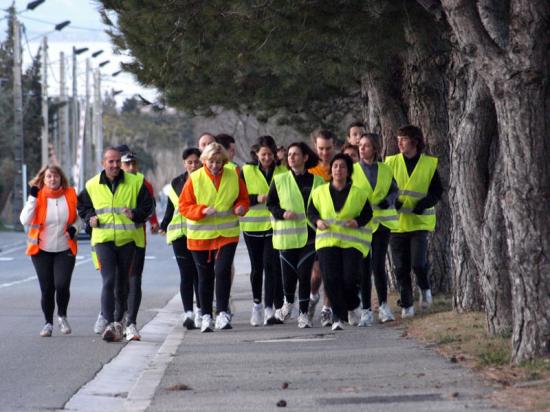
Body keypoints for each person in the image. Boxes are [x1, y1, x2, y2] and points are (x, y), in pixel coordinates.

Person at [78, 147, 154, 342]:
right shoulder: (92, 184)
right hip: (103, 240)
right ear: (103, 163)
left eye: (117, 162)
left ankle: (120, 322)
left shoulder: (135, 182)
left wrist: (135, 213)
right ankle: (109, 319)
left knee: (123, 284)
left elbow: (148, 207)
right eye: (110, 162)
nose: (114, 165)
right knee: (109, 279)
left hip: (127, 240)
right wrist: (89, 218)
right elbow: (83, 207)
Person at [179, 143, 249, 332]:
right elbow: (184, 206)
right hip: (200, 236)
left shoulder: (233, 176)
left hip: (227, 234)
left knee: (223, 270)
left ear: (224, 161)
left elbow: (243, 198)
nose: (215, 165)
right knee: (205, 276)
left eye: (219, 162)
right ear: (204, 161)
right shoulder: (194, 178)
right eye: (211, 161)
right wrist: (202, 210)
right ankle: (206, 314)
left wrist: (241, 207)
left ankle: (223, 313)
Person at [308, 153, 373, 330]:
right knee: (331, 279)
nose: (338, 169)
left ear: (348, 171)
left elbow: (368, 213)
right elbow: (311, 212)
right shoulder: (319, 191)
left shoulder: (359, 193)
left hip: (351, 243)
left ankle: (352, 305)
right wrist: (317, 221)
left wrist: (357, 222)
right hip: (326, 242)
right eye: (335, 166)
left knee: (350, 278)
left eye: (342, 166)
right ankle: (338, 317)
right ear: (331, 170)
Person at [385, 125, 443, 318]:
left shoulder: (429, 164)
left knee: (418, 263)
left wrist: (423, 204)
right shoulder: (390, 162)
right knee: (400, 267)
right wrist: (395, 201)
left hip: (419, 223)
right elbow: (384, 188)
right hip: (397, 223)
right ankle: (407, 304)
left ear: (415, 141)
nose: (399, 142)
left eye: (404, 138)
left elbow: (437, 192)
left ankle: (424, 287)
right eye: (398, 138)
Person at [267, 142, 324, 328]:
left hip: (309, 237)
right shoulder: (280, 180)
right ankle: (288, 303)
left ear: (305, 157)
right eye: (289, 154)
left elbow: (323, 205)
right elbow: (271, 204)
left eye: (296, 154)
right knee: (288, 278)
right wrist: (282, 213)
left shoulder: (317, 181)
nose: (291, 157)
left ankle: (303, 314)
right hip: (286, 237)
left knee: (304, 275)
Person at [20, 165, 80, 337]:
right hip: (41, 250)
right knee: (47, 289)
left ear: (61, 178)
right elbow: (24, 220)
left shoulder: (70, 194)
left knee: (61, 285)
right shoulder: (37, 196)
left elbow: (79, 217)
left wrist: (74, 228)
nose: (52, 179)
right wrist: (32, 198)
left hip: (65, 248)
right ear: (43, 180)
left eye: (55, 176)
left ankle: (62, 315)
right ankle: (48, 323)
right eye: (48, 177)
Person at [240, 136, 287, 326]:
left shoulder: (283, 171)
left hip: (274, 226)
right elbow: (239, 196)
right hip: (252, 226)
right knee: (256, 268)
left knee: (271, 266)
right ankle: (257, 305)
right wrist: (257, 198)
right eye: (263, 154)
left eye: (269, 154)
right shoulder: (246, 170)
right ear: (256, 155)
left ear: (275, 154)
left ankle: (269, 308)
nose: (266, 157)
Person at [354, 133, 399, 325]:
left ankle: (383, 306)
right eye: (360, 145)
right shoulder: (353, 170)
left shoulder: (385, 169)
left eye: (366, 146)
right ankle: (365, 310)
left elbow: (394, 189)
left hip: (381, 223)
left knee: (378, 266)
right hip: (362, 225)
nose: (362, 149)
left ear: (375, 149)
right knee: (364, 268)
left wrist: (387, 201)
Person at [117, 150, 159, 340]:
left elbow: (149, 207)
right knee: (116, 281)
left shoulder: (143, 183)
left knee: (134, 280)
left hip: (135, 239)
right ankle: (115, 317)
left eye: (134, 164)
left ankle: (131, 322)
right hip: (112, 241)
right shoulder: (111, 183)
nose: (131, 168)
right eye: (127, 164)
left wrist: (153, 222)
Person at [159, 147, 202, 330]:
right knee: (186, 274)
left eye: (196, 162)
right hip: (179, 235)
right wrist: (163, 224)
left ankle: (201, 310)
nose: (193, 165)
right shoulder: (175, 182)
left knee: (200, 275)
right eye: (189, 162)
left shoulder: (205, 180)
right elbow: (170, 207)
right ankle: (188, 313)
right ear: (184, 163)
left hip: (200, 233)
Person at [307, 129, 336, 327]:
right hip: (314, 226)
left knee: (330, 271)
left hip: (336, 227)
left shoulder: (340, 167)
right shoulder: (311, 171)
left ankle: (327, 309)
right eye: (321, 149)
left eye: (328, 148)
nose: (325, 153)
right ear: (315, 148)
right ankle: (312, 295)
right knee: (317, 273)